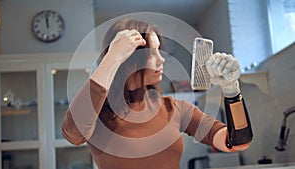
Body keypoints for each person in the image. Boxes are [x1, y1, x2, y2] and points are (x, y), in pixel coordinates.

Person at [61, 19, 252, 169]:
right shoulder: (99, 116)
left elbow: (236, 143)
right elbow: (73, 134)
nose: (162, 60)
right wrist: (112, 57)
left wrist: (231, 90)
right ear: (129, 58)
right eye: (152, 52)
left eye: (160, 51)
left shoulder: (175, 109)